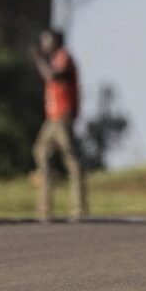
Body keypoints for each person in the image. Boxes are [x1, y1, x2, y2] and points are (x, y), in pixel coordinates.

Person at [30, 28, 87, 220]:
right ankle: (44, 207)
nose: (43, 44)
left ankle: (78, 207)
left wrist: (39, 60)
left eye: (46, 40)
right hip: (52, 117)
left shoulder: (64, 57)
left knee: (70, 158)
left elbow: (53, 76)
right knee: (41, 152)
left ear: (55, 41)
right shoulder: (54, 59)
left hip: (62, 116)